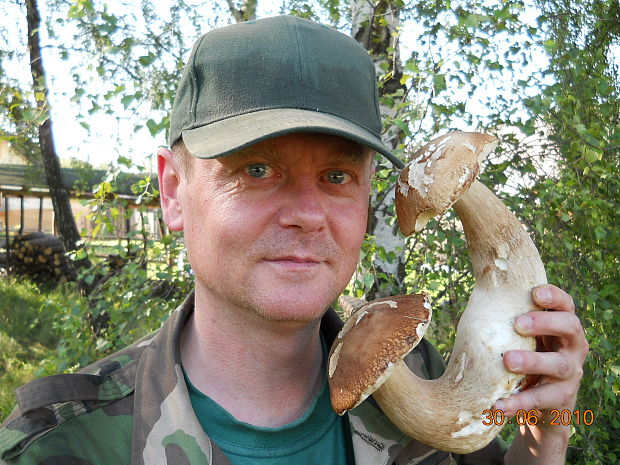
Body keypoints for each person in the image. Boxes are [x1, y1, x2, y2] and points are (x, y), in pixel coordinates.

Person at [0, 15, 588, 465]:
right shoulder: (59, 443)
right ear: (174, 192)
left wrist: (546, 432)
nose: (309, 215)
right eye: (256, 170)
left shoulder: (426, 373)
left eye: (337, 177)